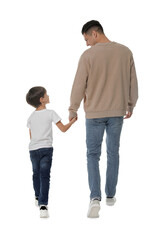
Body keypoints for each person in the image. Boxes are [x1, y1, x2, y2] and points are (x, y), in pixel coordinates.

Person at [69, 20, 138, 218]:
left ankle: (95, 198)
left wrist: (73, 109)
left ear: (94, 33)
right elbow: (133, 82)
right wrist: (131, 104)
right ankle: (110, 195)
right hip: (117, 111)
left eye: (86, 39)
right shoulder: (126, 52)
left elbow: (78, 84)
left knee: (92, 155)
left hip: (94, 113)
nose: (86, 44)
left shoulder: (88, 56)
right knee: (113, 153)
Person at [26, 86, 77, 218]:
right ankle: (43, 205)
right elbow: (63, 129)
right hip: (46, 149)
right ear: (42, 99)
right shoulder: (51, 113)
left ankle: (38, 196)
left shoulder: (30, 117)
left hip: (33, 149)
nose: (48, 96)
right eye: (46, 94)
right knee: (45, 176)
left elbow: (31, 136)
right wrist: (72, 122)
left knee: (36, 174)